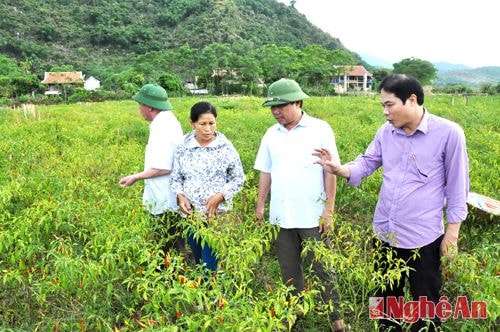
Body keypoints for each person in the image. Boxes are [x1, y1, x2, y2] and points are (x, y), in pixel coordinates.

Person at [314, 74, 469, 331]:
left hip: (424, 237)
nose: (385, 112)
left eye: (389, 105)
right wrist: (340, 169)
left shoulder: (449, 134)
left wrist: (452, 233)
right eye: (382, 106)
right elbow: (367, 162)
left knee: (426, 302)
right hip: (385, 232)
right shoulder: (386, 132)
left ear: (412, 99)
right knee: (384, 300)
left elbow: (457, 187)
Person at [254, 78, 346, 331]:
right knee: (288, 267)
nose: (275, 111)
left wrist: (329, 210)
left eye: (281, 106)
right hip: (281, 215)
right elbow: (265, 171)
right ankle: (294, 311)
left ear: (297, 102)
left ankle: (336, 318)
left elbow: (331, 171)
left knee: (323, 267)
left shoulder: (320, 129)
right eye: (272, 107)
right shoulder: (271, 134)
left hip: (313, 215)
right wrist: (260, 206)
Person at [170, 101, 245, 272]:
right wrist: (181, 196)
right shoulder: (183, 147)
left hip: (216, 215)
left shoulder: (225, 147)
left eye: (212, 123)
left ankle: (211, 294)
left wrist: (219, 197)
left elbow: (238, 178)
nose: (208, 129)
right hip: (191, 215)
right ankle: (203, 292)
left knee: (209, 261)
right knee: (198, 257)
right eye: (202, 124)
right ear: (192, 123)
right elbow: (176, 178)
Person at [119, 83, 185, 253]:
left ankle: (171, 276)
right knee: (172, 240)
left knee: (167, 243)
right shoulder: (167, 121)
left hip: (165, 196)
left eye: (140, 104)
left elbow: (162, 167)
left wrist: (135, 177)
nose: (139, 108)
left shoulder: (162, 127)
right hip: (167, 194)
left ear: (148, 107)